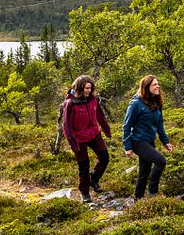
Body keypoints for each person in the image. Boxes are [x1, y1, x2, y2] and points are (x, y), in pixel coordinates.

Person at [62, 75, 111, 203]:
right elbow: (67, 126)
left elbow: (100, 115)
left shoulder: (93, 99)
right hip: (78, 138)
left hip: (94, 133)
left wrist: (106, 130)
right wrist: (72, 143)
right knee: (84, 165)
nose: (88, 91)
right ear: (79, 88)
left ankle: (93, 179)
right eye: (86, 88)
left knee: (105, 158)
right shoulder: (70, 104)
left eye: (90, 88)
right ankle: (84, 192)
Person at [122, 75, 173, 199]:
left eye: (158, 84)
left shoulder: (156, 102)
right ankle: (153, 192)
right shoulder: (135, 104)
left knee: (144, 172)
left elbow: (159, 123)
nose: (158, 86)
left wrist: (165, 141)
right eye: (154, 84)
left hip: (149, 141)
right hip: (138, 141)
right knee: (161, 161)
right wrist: (127, 146)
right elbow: (126, 125)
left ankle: (138, 199)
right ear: (147, 87)